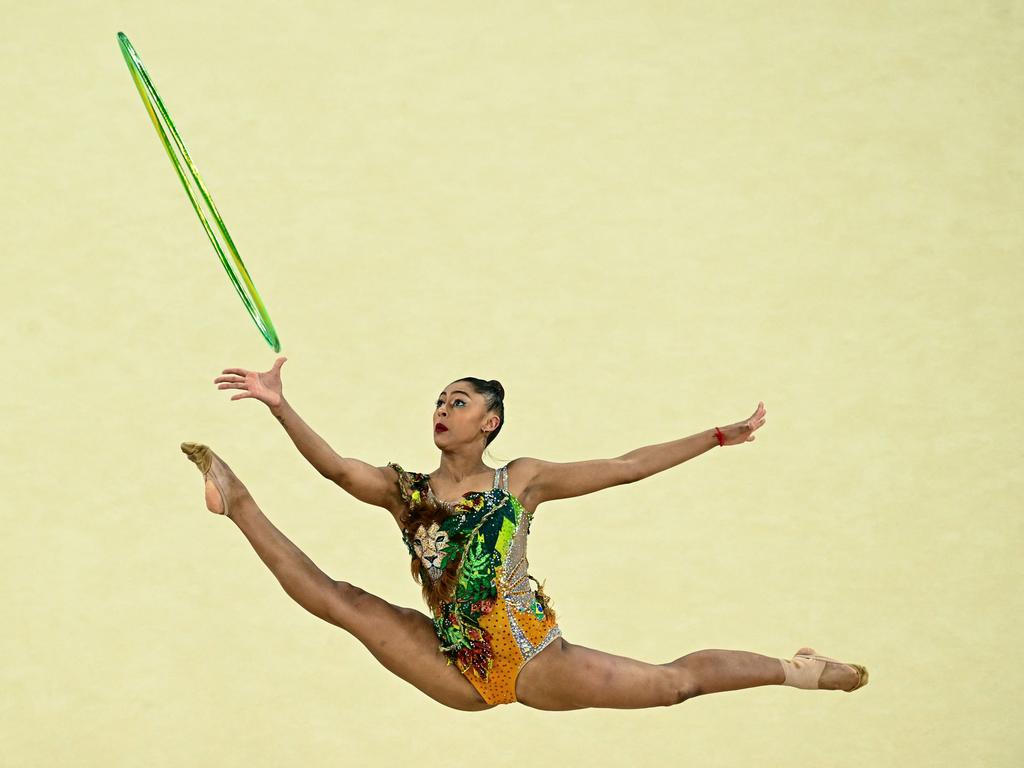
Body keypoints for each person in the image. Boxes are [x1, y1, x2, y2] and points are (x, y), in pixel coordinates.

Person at [181, 356, 868, 711]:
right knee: (342, 601)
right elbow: (334, 468)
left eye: (460, 401)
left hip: (538, 659)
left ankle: (795, 669)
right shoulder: (408, 493)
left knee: (672, 686)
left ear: (489, 423)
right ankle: (235, 497)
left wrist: (718, 437)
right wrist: (279, 404)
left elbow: (626, 468)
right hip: (456, 666)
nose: (443, 408)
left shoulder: (522, 482)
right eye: (439, 400)